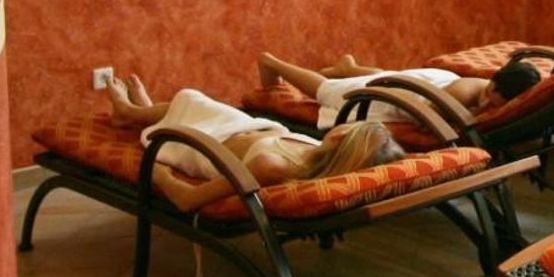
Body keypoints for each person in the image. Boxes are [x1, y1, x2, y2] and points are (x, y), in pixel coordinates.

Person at [101, 75, 408, 213]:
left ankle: (130, 113)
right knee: (192, 98)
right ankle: (140, 112)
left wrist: (158, 175)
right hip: (241, 128)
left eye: (349, 127)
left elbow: (188, 199)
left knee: (190, 99)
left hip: (208, 144)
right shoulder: (317, 154)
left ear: (342, 138)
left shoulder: (272, 167)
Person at [256, 49, 542, 132]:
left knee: (390, 76)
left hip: (427, 82)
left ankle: (348, 67)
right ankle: (273, 63)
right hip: (410, 95)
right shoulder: (465, 93)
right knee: (329, 91)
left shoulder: (503, 92)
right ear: (492, 83)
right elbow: (428, 116)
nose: (490, 106)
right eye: (490, 98)